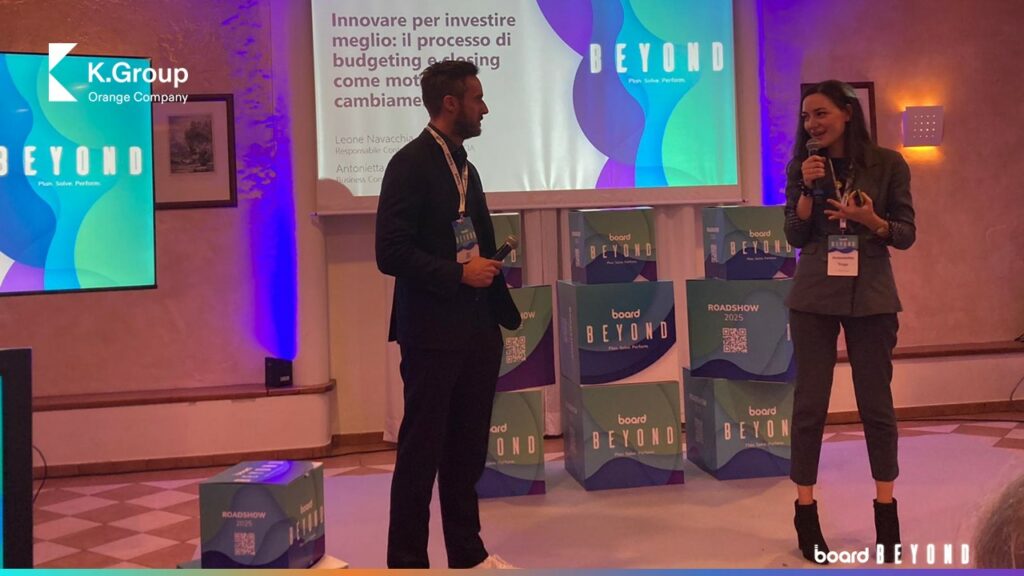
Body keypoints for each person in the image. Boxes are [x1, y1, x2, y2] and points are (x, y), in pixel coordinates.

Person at [375, 60, 521, 569]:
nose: (486, 108)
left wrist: (488, 271)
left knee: (466, 455)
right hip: (431, 334)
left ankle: (468, 555)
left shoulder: (465, 167)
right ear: (451, 103)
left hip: (476, 331)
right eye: (477, 98)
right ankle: (407, 563)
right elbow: (390, 253)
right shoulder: (409, 163)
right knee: (420, 455)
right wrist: (458, 274)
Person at [783, 80, 917, 565]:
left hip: (872, 293)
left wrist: (870, 220)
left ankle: (887, 514)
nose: (812, 124)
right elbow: (795, 233)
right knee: (810, 405)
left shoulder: (889, 163)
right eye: (806, 117)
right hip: (814, 294)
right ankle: (806, 513)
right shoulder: (803, 166)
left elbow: (904, 234)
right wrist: (805, 188)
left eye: (820, 113)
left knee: (876, 405)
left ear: (846, 112)